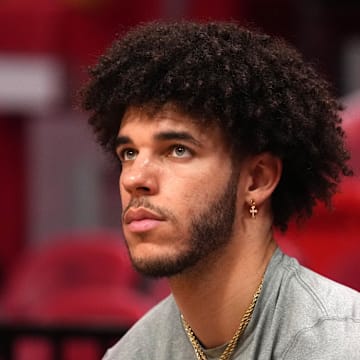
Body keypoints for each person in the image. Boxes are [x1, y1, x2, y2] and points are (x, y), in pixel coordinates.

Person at [80, 21, 360, 359]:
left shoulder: (340, 342)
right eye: (129, 153)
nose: (134, 178)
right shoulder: (130, 354)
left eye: (177, 149)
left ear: (256, 180)